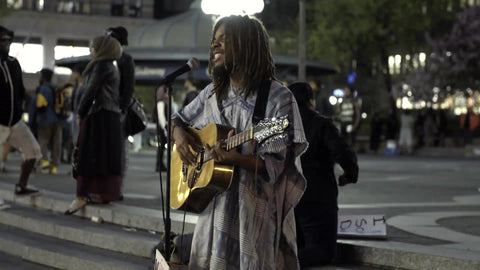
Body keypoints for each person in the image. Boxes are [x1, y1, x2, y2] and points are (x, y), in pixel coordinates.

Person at [171, 15, 307, 269]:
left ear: (247, 45)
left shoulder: (278, 98)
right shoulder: (212, 93)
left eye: (225, 40)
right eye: (214, 40)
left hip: (254, 212)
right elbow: (177, 119)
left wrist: (235, 158)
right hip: (213, 207)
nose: (215, 46)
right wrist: (179, 136)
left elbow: (275, 166)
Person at [289, 82, 358, 267]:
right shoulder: (321, 124)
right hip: (317, 198)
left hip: (288, 198)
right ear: (310, 101)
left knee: (298, 245)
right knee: (322, 251)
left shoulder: (279, 127)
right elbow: (343, 152)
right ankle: (282, 263)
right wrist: (350, 175)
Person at [65, 35, 123, 215]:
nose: (91, 50)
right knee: (105, 157)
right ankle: (102, 194)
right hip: (110, 116)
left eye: (93, 47)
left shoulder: (100, 66)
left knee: (86, 154)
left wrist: (80, 112)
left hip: (98, 115)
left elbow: (90, 91)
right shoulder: (112, 66)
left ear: (101, 49)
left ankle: (82, 196)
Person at [0, 25, 42, 195]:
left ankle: (21, 185)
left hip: (15, 121)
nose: (7, 43)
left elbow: (20, 90)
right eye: (3, 40)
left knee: (33, 151)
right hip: (0, 122)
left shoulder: (13, 63)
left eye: (8, 40)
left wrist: (27, 101)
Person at [106, 26, 135, 186]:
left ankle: (117, 184)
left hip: (118, 110)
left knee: (120, 148)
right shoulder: (108, 59)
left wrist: (122, 107)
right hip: (108, 109)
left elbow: (128, 87)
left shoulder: (125, 60)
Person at [36, 68, 62, 174]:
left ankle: (45, 164)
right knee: (56, 143)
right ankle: (54, 167)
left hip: (46, 119)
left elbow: (40, 105)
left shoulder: (43, 88)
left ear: (43, 77)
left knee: (43, 141)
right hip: (59, 119)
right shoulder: (57, 88)